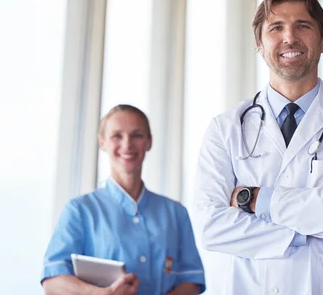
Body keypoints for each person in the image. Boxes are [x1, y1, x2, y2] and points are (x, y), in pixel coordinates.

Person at [194, 0, 323, 295]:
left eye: (303, 25)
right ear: (259, 42)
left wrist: (254, 200)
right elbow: (212, 227)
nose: (289, 38)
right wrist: (309, 224)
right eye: (277, 27)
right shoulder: (225, 128)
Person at [41, 104, 206, 295]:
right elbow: (52, 281)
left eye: (137, 135)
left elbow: (191, 280)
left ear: (149, 142)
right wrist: (102, 294)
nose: (127, 144)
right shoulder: (80, 210)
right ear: (102, 142)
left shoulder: (175, 213)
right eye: (117, 136)